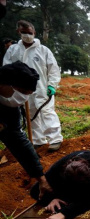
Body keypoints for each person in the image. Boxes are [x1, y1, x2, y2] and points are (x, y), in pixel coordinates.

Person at [3, 19, 63, 151]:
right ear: (19, 32)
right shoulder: (13, 50)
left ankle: (55, 139)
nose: (27, 35)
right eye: (24, 32)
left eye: (29, 32)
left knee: (47, 112)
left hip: (42, 89)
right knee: (31, 115)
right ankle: (38, 140)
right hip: (22, 90)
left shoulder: (43, 50)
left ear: (34, 32)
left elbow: (53, 69)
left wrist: (52, 85)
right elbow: (6, 69)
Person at [0, 61, 53, 201]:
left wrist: (41, 178)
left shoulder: (10, 109)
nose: (23, 99)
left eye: (28, 95)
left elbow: (18, 142)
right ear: (4, 83)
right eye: (22, 92)